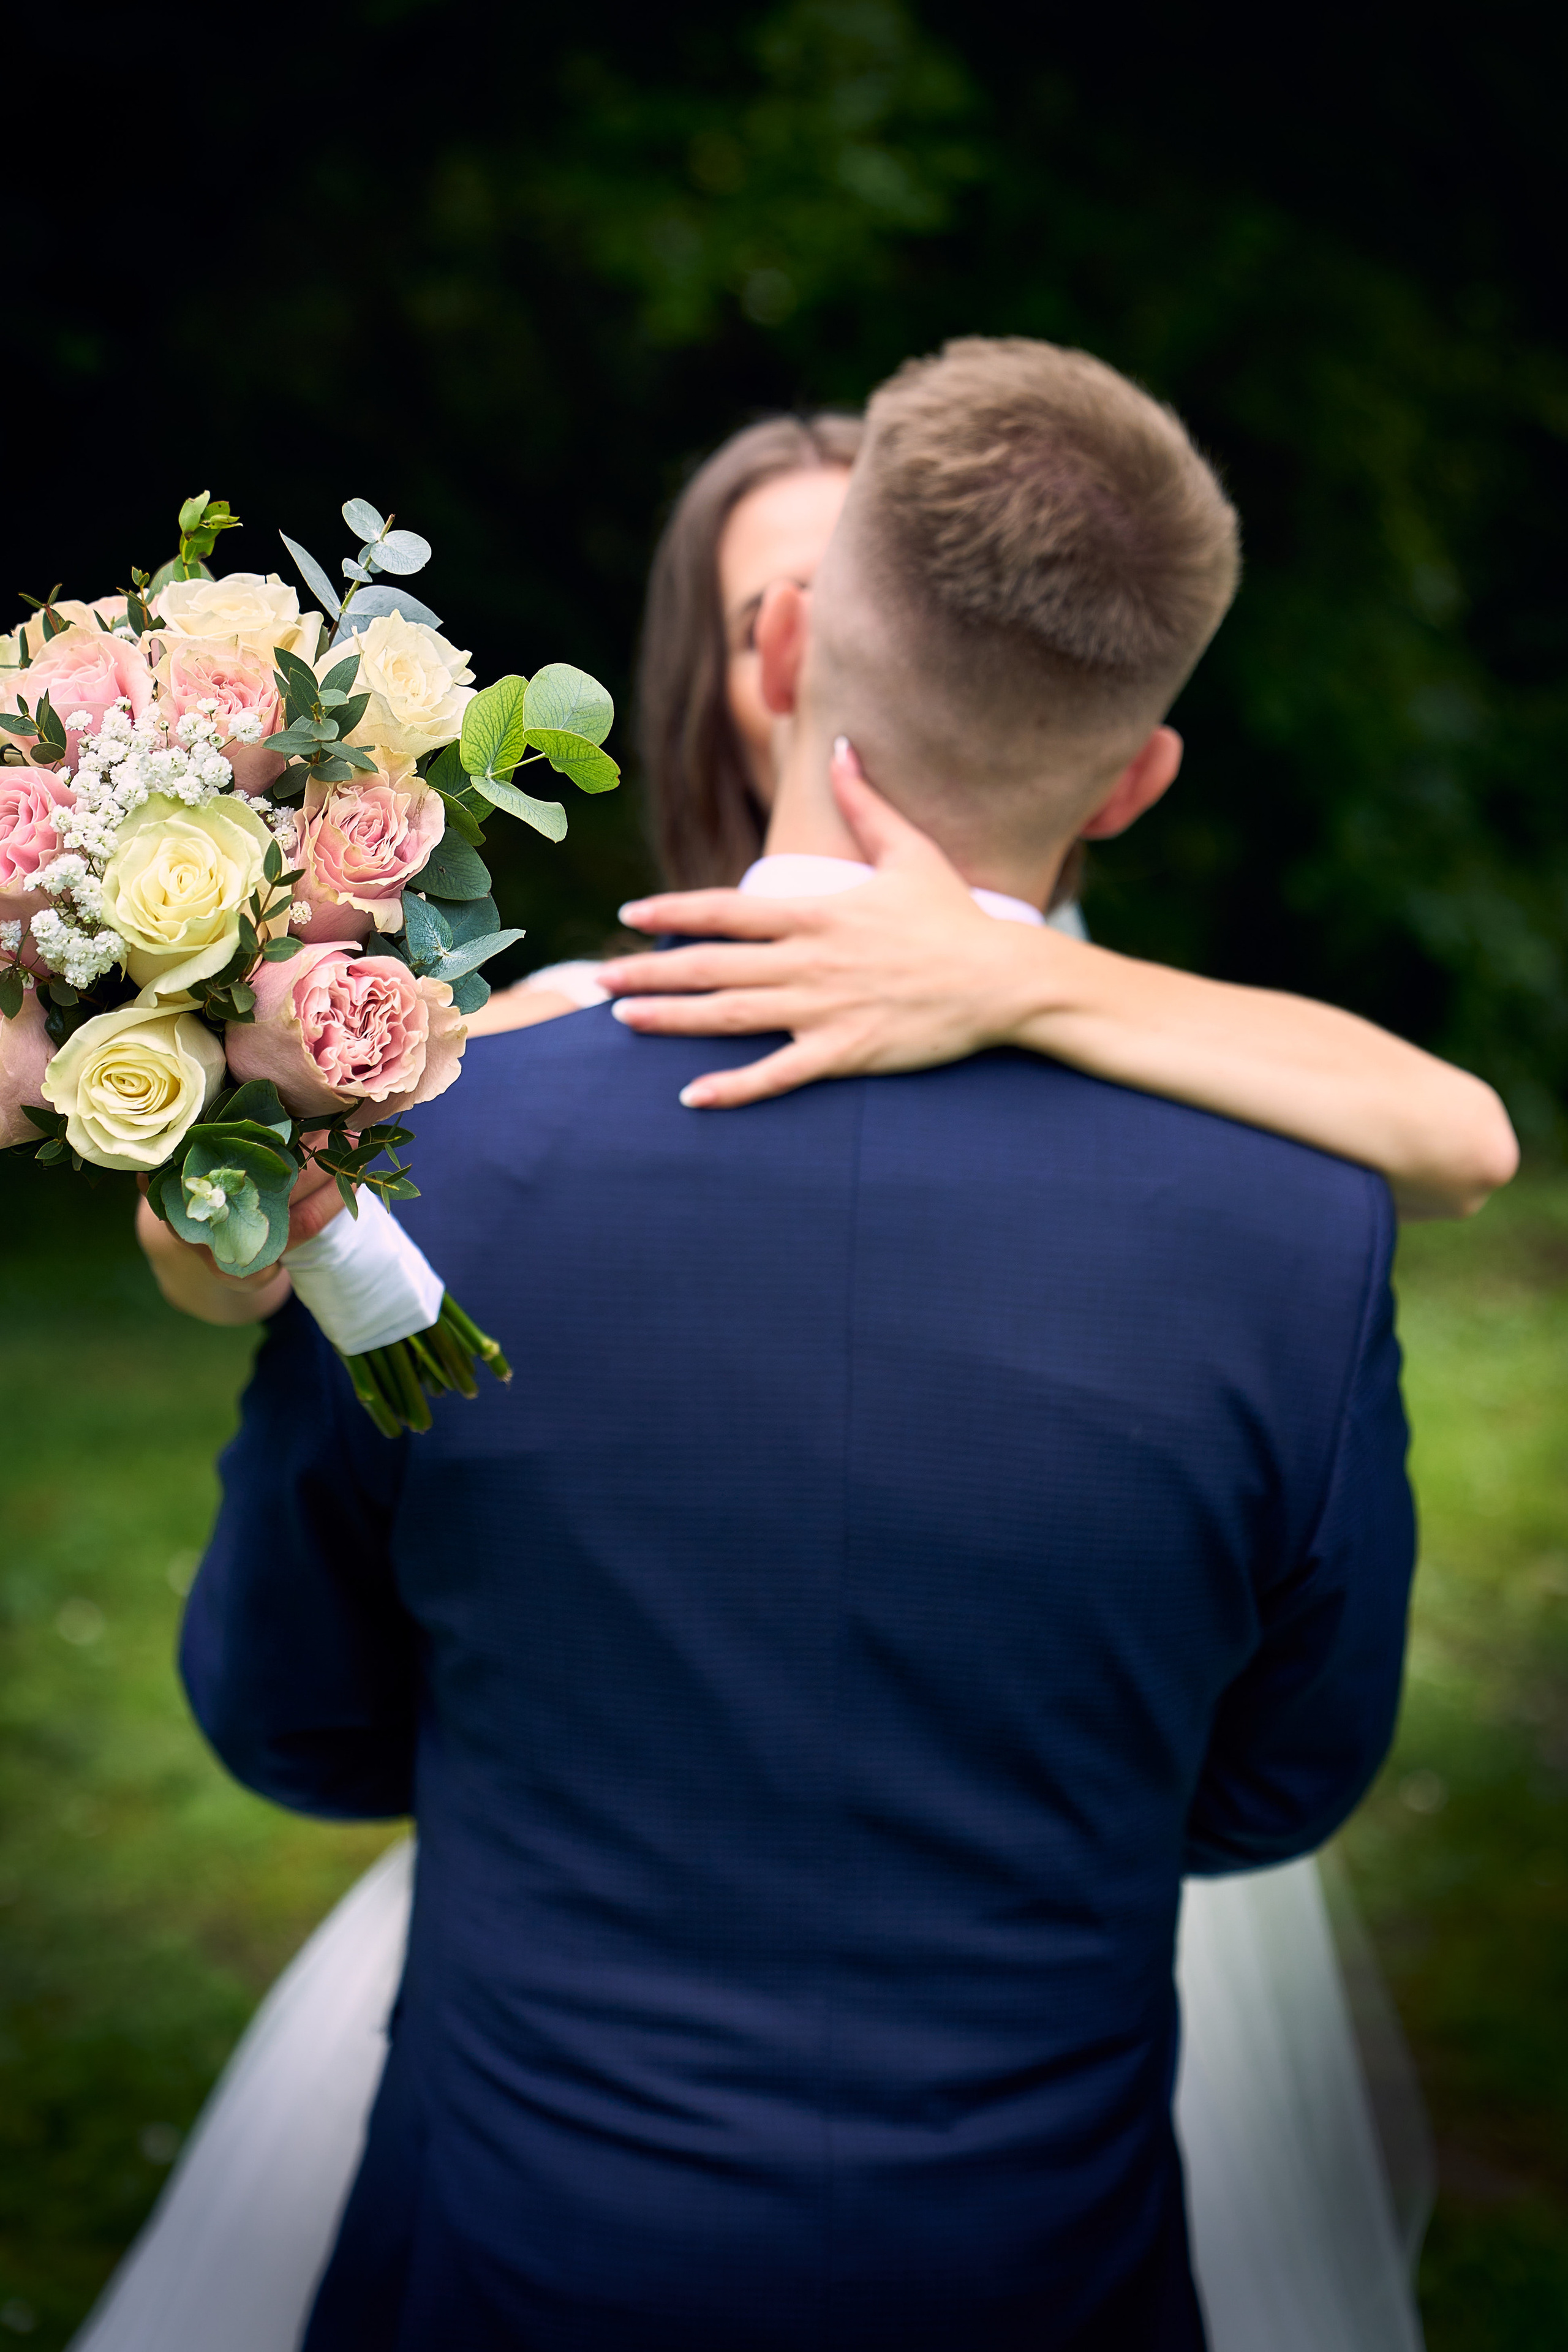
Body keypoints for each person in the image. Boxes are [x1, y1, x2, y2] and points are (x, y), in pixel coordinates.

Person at [96, 385, 1495, 2352]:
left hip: (512, 2263)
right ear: (1134, 782)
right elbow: (1276, 1786)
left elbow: (287, 1711)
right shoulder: (1301, 1222)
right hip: (1039, 2279)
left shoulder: (428, 1151)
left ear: (777, 649)